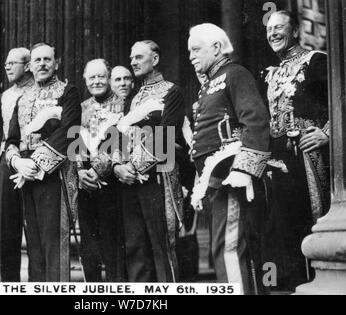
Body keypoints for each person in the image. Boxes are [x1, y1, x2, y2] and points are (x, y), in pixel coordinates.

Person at [188, 24, 271, 295]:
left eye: (196, 49)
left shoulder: (235, 74)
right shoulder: (207, 85)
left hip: (232, 176)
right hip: (215, 180)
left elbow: (256, 121)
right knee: (223, 248)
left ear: (216, 48)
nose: (191, 55)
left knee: (229, 248)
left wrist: (244, 170)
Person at [264, 11, 330, 291]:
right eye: (269, 29)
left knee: (311, 219)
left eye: (279, 27)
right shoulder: (272, 73)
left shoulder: (316, 61)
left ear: (294, 31)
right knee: (284, 225)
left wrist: (326, 133)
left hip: (309, 155)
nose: (273, 33)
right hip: (280, 159)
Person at [5, 43, 81, 282]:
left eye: (47, 59)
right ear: (30, 66)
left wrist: (34, 165)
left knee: (53, 245)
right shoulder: (22, 98)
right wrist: (18, 163)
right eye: (37, 60)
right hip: (25, 178)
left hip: (53, 177)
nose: (42, 64)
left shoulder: (68, 92)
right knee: (34, 247)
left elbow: (69, 131)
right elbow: (12, 139)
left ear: (56, 63)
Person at [113, 40, 185, 282]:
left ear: (154, 60)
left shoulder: (171, 92)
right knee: (135, 248)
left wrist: (132, 167)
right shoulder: (133, 97)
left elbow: (167, 138)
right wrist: (118, 166)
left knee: (162, 246)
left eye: (139, 57)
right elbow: (121, 136)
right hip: (131, 182)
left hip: (159, 178)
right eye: (132, 57)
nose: (133, 61)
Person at [77, 59, 126, 282]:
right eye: (92, 77)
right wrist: (80, 171)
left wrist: (97, 171)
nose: (97, 81)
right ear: (86, 80)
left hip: (113, 182)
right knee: (89, 243)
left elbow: (121, 142)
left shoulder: (124, 104)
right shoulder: (82, 107)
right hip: (86, 184)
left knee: (113, 244)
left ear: (108, 78)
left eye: (101, 76)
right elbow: (75, 142)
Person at [0, 47, 34, 282]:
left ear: (27, 66)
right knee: (7, 228)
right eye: (6, 63)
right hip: (6, 164)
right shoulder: (4, 96)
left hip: (34, 162)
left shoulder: (38, 92)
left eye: (12, 63)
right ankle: (10, 284)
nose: (6, 67)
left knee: (35, 228)